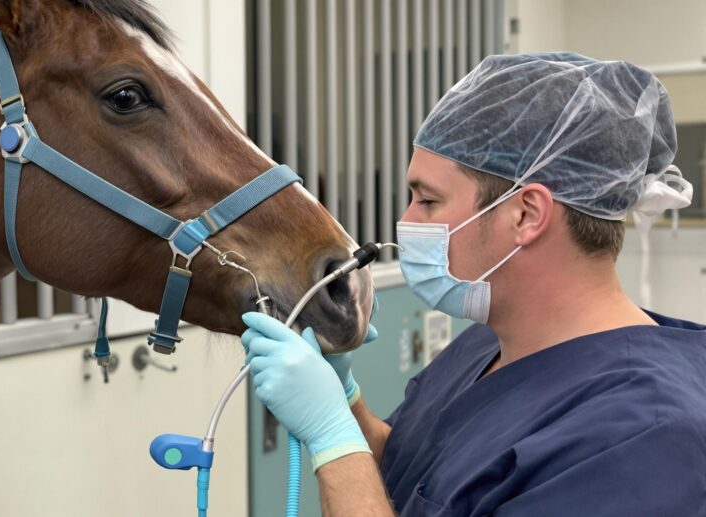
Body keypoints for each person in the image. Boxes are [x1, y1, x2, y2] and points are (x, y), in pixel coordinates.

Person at [242, 52, 705, 516]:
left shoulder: (643, 434)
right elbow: (411, 477)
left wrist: (332, 441)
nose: (405, 221)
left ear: (526, 214)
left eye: (427, 200)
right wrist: (345, 405)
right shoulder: (484, 348)